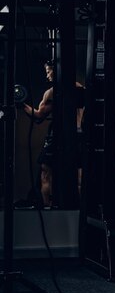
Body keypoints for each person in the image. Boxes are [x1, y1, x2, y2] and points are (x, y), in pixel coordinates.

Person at [22, 60, 84, 207]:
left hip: (59, 135)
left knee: (46, 172)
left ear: (57, 71)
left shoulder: (52, 92)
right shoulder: (81, 88)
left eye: (49, 71)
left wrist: (20, 103)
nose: (47, 75)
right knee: (79, 174)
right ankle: (81, 209)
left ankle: (47, 207)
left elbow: (38, 117)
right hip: (79, 134)